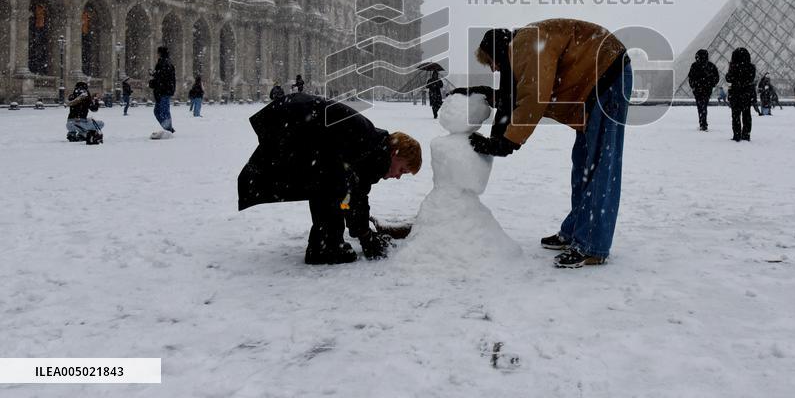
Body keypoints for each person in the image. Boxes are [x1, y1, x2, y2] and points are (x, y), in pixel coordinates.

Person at [456, 19, 630, 268]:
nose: (495, 70)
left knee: (600, 164)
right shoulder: (521, 48)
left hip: (607, 77)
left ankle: (592, 244)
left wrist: (507, 142)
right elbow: (515, 95)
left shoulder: (524, 44)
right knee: (582, 165)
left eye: (492, 63)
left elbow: (533, 95)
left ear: (497, 52)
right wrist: (488, 99)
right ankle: (576, 230)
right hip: (593, 85)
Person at [237, 93, 423, 264]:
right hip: (291, 123)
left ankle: (326, 245)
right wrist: (365, 235)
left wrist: (364, 232)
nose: (398, 177)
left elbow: (355, 193)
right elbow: (351, 193)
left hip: (289, 120)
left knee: (332, 182)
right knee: (332, 183)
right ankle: (325, 247)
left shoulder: (372, 148)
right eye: (403, 170)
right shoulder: (367, 144)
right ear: (395, 153)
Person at [726, 47, 756, 141]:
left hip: (735, 93)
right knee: (747, 115)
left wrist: (731, 71)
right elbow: (751, 79)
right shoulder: (751, 67)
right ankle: (746, 134)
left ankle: (737, 134)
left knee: (735, 115)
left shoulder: (733, 66)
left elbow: (729, 79)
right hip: (747, 93)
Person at [687, 49, 719, 131]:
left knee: (700, 106)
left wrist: (693, 86)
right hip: (707, 89)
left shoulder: (694, 65)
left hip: (697, 89)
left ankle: (702, 123)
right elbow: (716, 77)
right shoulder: (711, 65)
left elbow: (690, 78)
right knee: (704, 105)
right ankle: (703, 122)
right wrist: (712, 84)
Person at [149, 46, 176, 133]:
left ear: (160, 53)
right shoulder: (165, 63)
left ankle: (168, 129)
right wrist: (155, 75)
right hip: (163, 90)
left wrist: (154, 81)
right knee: (158, 111)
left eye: (157, 53)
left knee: (163, 111)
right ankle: (168, 128)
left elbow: (163, 78)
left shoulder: (164, 63)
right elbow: (163, 77)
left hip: (163, 91)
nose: (156, 54)